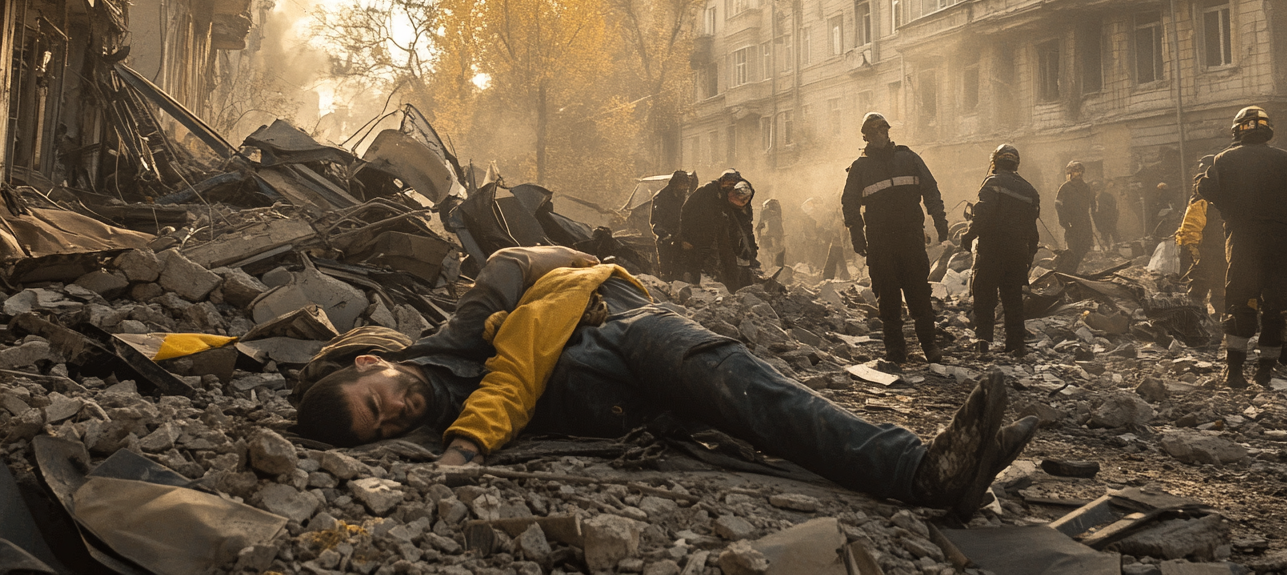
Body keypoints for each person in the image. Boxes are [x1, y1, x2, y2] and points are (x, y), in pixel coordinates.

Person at [293, 246, 1039, 521]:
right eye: (383, 430)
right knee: (752, 417)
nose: (394, 415)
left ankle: (922, 467)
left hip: (623, 325)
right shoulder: (437, 415)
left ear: (371, 365)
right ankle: (942, 470)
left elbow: (520, 329)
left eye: (376, 402)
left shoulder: (465, 327)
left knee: (743, 387)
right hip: (612, 396)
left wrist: (463, 451)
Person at [1196, 106, 1287, 389]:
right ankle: (1265, 373)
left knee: (1240, 303)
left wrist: (1218, 196)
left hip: (1244, 239)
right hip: (1283, 240)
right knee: (1275, 307)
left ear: (1237, 130)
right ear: (1268, 130)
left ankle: (1234, 373)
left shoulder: (1223, 159)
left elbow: (1205, 190)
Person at [841, 112, 950, 365]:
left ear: (888, 132)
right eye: (875, 131)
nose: (880, 135)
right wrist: (857, 235)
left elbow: (931, 190)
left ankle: (930, 347)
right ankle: (896, 353)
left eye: (883, 130)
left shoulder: (909, 158)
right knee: (888, 299)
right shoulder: (860, 168)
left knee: (919, 294)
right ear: (865, 136)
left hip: (910, 238)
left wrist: (941, 224)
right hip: (880, 243)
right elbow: (849, 203)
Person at [962, 144, 1041, 356]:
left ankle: (983, 340)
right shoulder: (1029, 190)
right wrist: (1030, 254)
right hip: (1017, 253)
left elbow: (982, 215)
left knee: (984, 296)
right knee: (1013, 299)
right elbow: (1032, 227)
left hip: (991, 250)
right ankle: (1015, 344)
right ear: (1016, 163)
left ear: (995, 162)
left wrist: (967, 236)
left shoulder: (992, 182)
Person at [1176, 156, 1226, 317]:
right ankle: (1220, 317)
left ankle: (1195, 317)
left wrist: (1190, 246)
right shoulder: (1227, 191)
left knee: (1200, 283)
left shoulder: (1201, 194)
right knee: (1220, 282)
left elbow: (1191, 224)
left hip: (1206, 248)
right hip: (1223, 247)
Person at [676, 169, 742, 283]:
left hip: (711, 234)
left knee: (725, 260)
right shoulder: (708, 190)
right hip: (698, 233)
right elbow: (686, 210)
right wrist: (685, 236)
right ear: (722, 181)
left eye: (733, 184)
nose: (730, 186)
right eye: (729, 183)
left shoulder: (723, 193)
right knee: (696, 262)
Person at [715, 180, 759, 290]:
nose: (744, 201)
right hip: (727, 249)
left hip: (742, 248)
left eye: (746, 199)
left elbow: (748, 229)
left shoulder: (746, 209)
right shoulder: (723, 209)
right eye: (741, 198)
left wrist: (751, 248)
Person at [650, 171, 694, 281]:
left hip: (682, 238)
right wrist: (669, 236)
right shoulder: (661, 198)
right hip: (666, 239)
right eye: (682, 184)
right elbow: (655, 222)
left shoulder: (686, 197)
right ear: (675, 184)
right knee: (666, 272)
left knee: (681, 271)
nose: (684, 187)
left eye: (686, 184)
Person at [1055, 161, 1095, 273]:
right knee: (1073, 250)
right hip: (1071, 223)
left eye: (1080, 171)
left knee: (1085, 247)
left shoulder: (1087, 188)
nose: (1079, 173)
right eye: (1076, 171)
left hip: (1085, 222)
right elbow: (1058, 205)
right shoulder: (1065, 188)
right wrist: (1064, 221)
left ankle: (1079, 272)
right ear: (1070, 173)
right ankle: (1070, 272)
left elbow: (1093, 204)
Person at [756, 198, 786, 268]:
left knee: (773, 259)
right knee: (768, 258)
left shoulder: (774, 218)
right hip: (767, 240)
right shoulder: (768, 216)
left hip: (772, 240)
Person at [1093, 180, 1120, 247]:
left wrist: (1114, 218)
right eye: (1095, 187)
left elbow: (1115, 208)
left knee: (1114, 234)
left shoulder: (1107, 196)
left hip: (1109, 219)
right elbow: (1094, 211)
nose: (1096, 188)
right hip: (1100, 220)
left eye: (1097, 186)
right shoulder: (1093, 198)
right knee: (1104, 236)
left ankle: (1118, 247)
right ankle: (1107, 249)